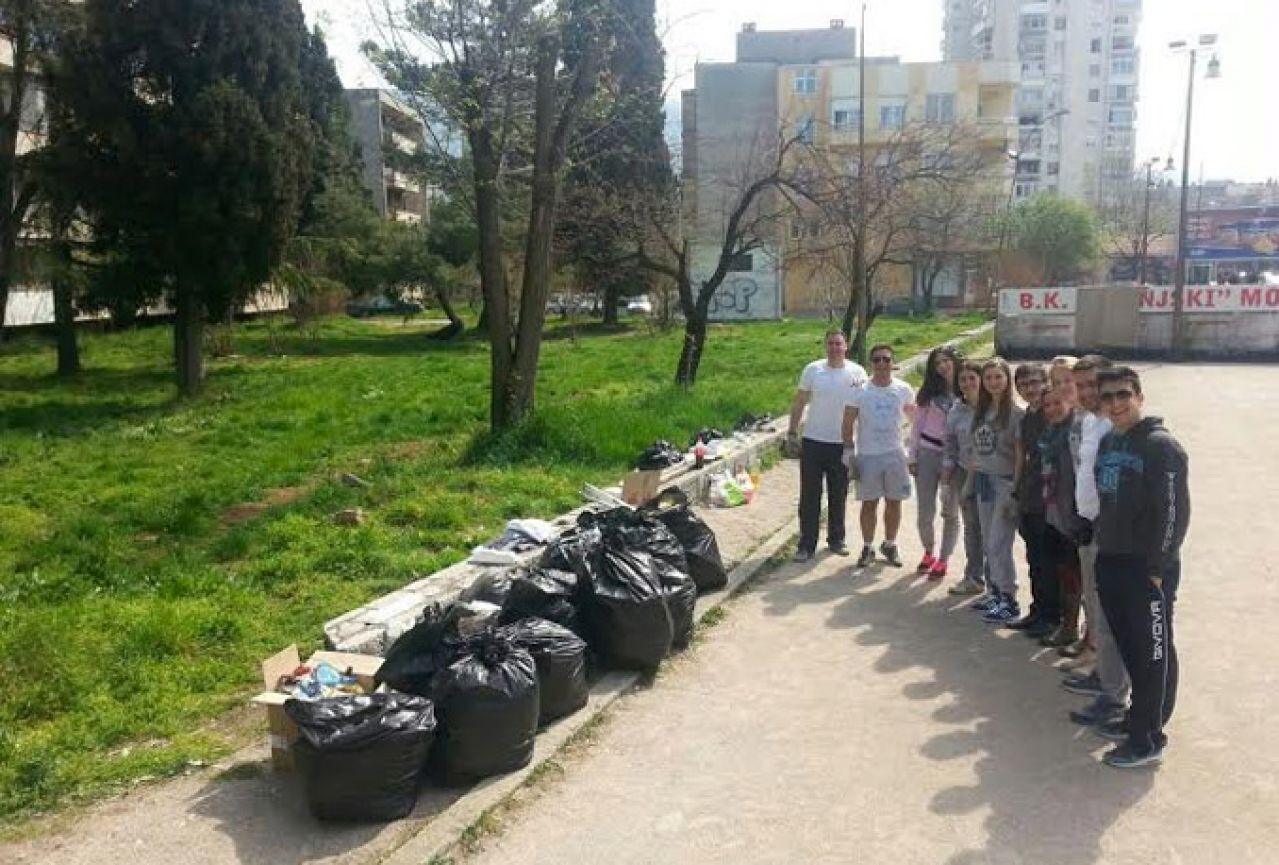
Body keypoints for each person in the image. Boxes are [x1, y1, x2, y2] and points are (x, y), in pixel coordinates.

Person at [1091, 366, 1190, 769]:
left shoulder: (1160, 446)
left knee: (1153, 653)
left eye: (1123, 395)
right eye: (1108, 397)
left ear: (1139, 397)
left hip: (1146, 568)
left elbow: (1173, 512)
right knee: (1132, 649)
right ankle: (1138, 717)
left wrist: (1158, 566)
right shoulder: (1110, 441)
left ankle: (1148, 737)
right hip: (1111, 559)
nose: (1115, 404)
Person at [1062, 356, 1134, 730]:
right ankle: (1103, 678)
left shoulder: (1114, 427)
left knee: (1110, 620)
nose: (1087, 392)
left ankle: (1113, 698)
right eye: (1081, 386)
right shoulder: (1088, 421)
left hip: (1111, 536)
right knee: (1096, 612)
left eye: (1093, 385)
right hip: (1089, 528)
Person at [787, 330, 867, 563]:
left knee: (838, 493)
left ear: (846, 346)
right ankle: (806, 544)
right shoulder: (813, 370)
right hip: (813, 441)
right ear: (825, 346)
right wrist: (792, 431)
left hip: (841, 443)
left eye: (838, 344)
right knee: (810, 495)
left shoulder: (857, 372)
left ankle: (836, 539)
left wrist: (861, 442)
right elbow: (800, 401)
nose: (834, 348)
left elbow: (862, 408)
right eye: (830, 343)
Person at [842, 343, 916, 568]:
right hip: (868, 454)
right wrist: (848, 451)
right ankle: (867, 546)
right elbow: (848, 421)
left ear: (893, 363)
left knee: (895, 502)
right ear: (871, 363)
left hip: (894, 453)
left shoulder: (903, 389)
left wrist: (915, 449)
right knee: (869, 503)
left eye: (886, 359)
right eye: (877, 360)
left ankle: (890, 544)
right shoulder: (859, 390)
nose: (882, 364)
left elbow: (916, 421)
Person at [967, 358, 1024, 623]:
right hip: (984, 481)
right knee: (989, 541)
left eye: (998, 377)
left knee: (999, 543)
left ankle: (1009, 598)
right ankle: (997, 591)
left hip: (1004, 483)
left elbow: (1019, 455)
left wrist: (1016, 488)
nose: (993, 382)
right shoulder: (984, 410)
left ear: (1007, 379)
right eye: (988, 378)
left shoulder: (1015, 414)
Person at [1036, 381, 1087, 651]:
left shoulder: (1076, 432)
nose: (1053, 409)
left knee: (1084, 582)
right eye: (1048, 405)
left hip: (1076, 517)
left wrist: (1078, 518)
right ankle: (1068, 627)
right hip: (1055, 515)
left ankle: (1086, 639)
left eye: (1058, 403)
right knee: (1066, 576)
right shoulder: (1050, 434)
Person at [1008, 363, 1056, 638]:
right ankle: (1038, 611)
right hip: (1029, 495)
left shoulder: (1053, 413)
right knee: (1035, 559)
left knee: (1050, 562)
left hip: (1048, 500)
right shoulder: (1028, 417)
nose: (1030, 389)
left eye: (1035, 382)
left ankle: (1053, 618)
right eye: (1024, 385)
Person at [909, 347, 960, 580]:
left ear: (954, 362)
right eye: (938, 363)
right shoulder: (928, 394)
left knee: (950, 510)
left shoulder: (967, 389)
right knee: (925, 512)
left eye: (946, 361)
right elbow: (917, 426)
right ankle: (928, 551)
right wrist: (913, 456)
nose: (943, 366)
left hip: (955, 458)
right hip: (928, 453)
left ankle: (944, 558)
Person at [943, 360, 988, 596]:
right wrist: (948, 469)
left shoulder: (993, 407)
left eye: (973, 378)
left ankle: (997, 582)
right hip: (963, 472)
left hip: (990, 474)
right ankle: (974, 577)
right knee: (972, 526)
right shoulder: (956, 409)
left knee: (992, 528)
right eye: (963, 379)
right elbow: (949, 441)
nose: (968, 383)